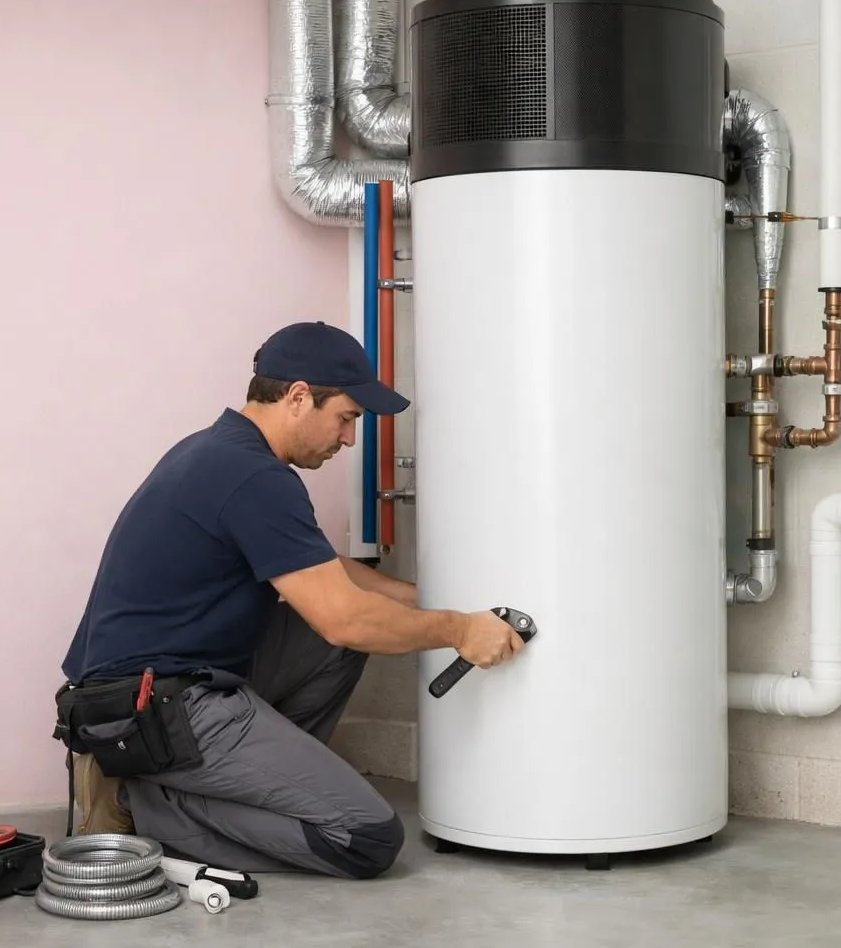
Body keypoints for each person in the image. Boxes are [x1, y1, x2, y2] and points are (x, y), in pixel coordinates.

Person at [56, 320, 525, 879]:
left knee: (338, 636)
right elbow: (344, 618)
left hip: (156, 691)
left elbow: (329, 574)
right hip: (152, 711)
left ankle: (254, 786)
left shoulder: (219, 451)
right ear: (299, 397)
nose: (349, 439)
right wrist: (458, 629)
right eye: (346, 419)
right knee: (364, 836)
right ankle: (144, 803)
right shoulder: (254, 476)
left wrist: (428, 597)